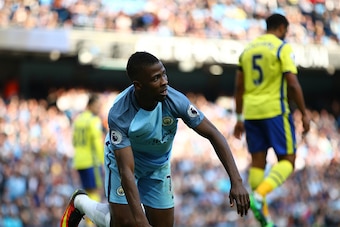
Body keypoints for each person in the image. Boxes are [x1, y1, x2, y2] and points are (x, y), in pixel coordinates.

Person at [60, 51, 250, 227]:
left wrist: (237, 181)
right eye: (156, 78)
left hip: (158, 166)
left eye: (164, 74)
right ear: (138, 85)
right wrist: (140, 220)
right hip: (126, 163)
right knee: (127, 224)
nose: (164, 82)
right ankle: (80, 203)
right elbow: (126, 170)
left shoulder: (176, 101)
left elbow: (214, 134)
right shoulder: (121, 113)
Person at [233, 13, 310, 227]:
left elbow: (239, 88)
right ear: (282, 28)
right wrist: (304, 113)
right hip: (275, 111)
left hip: (251, 114)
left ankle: (263, 219)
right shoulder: (281, 47)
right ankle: (259, 197)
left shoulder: (247, 51)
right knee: (288, 160)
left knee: (258, 162)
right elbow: (292, 84)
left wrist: (239, 118)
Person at [72, 93, 104, 204]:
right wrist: (103, 160)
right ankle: (93, 221)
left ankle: (89, 220)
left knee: (87, 191)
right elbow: (97, 143)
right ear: (90, 105)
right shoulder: (94, 120)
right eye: (97, 105)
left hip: (79, 161)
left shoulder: (78, 120)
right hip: (91, 161)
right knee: (95, 190)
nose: (99, 108)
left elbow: (74, 141)